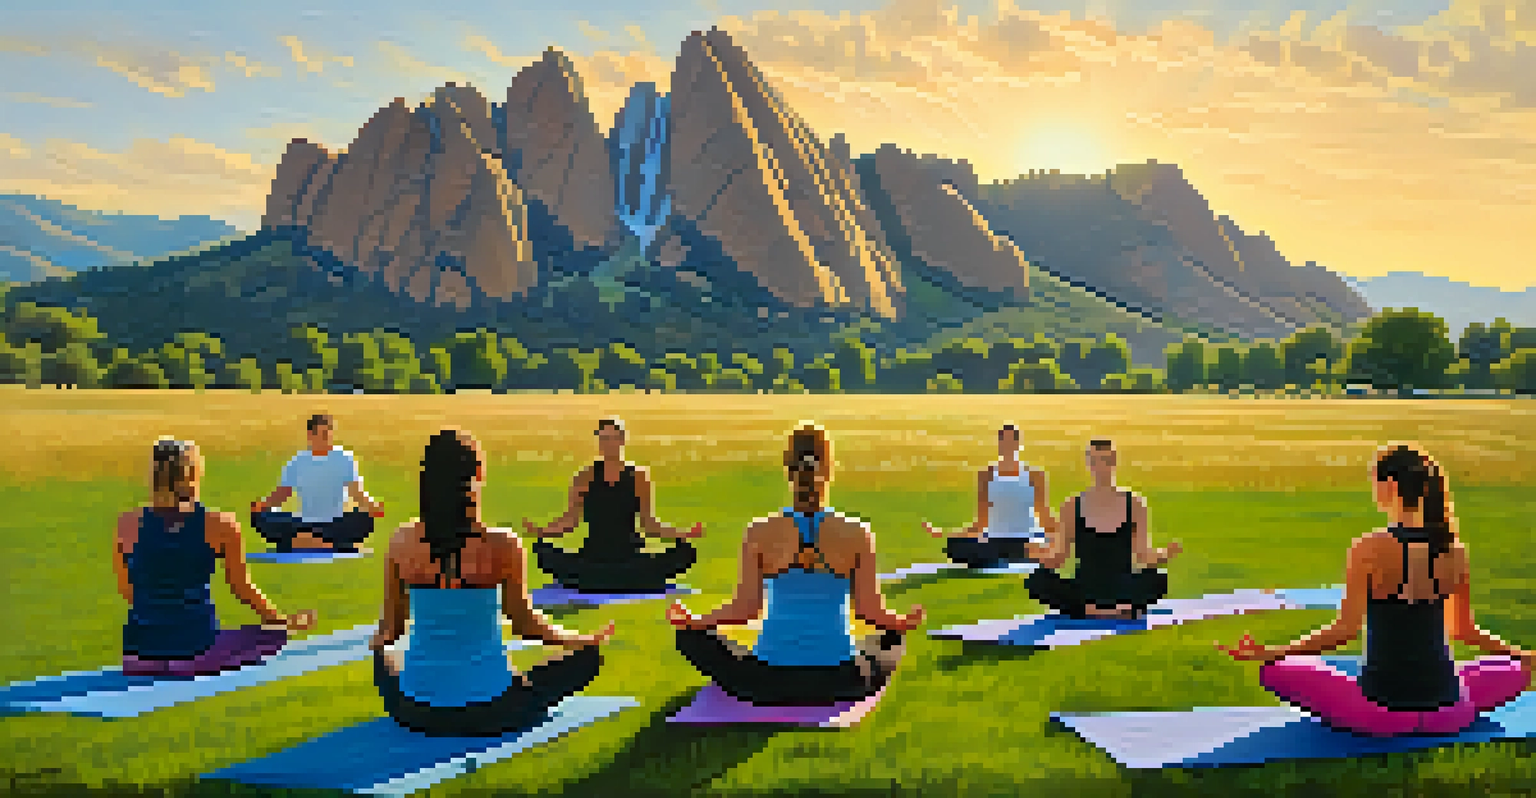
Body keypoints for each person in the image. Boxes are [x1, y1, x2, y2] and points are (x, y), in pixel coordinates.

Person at [1219, 444, 1533, 737]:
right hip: (1451, 713)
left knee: (1275, 671)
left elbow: (1344, 631)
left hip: (1379, 713)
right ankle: (1494, 675)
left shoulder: (1369, 547)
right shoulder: (1454, 550)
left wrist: (1270, 652)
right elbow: (1464, 630)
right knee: (1514, 671)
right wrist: (1519, 655)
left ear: (1391, 487)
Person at [371, 428, 617, 737]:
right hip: (493, 710)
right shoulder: (502, 545)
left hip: (416, 711)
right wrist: (580, 640)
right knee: (586, 659)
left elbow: (389, 631)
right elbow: (526, 625)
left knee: (384, 658)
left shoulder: (401, 541)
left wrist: (380, 650)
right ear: (478, 474)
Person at [667, 422, 924, 706]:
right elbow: (868, 612)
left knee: (689, 638)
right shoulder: (857, 533)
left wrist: (696, 622)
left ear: (788, 470)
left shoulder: (759, 531)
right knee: (891, 640)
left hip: (768, 680)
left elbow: (746, 609)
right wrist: (902, 623)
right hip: (839, 679)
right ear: (829, 469)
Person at [114, 438, 316, 677]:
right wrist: (281, 623)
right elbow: (241, 589)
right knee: (270, 636)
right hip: (196, 650)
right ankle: (181, 660)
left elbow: (129, 592)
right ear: (194, 475)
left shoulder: (126, 524)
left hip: (138, 654)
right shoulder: (220, 525)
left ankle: (165, 659)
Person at [523, 418, 702, 593]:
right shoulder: (584, 477)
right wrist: (541, 532)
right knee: (544, 551)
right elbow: (570, 521)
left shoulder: (639, 476)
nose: (608, 444)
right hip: (594, 556)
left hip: (630, 556)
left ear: (622, 440)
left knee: (684, 553)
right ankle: (619, 581)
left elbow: (649, 524)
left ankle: (604, 581)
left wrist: (683, 534)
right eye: (604, 439)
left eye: (613, 438)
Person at [1023, 439, 1181, 620]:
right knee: (1037, 580)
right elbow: (1059, 559)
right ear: (1089, 464)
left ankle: (1091, 611)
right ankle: (1108, 611)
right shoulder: (1072, 506)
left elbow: (1144, 556)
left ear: (1114, 462)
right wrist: (1039, 555)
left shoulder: (1135, 504)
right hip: (1085, 589)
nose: (1101, 467)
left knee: (1159, 579)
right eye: (1095, 461)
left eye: (1105, 460)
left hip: (1123, 588)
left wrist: (1165, 554)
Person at [924, 424, 1056, 568]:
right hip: (995, 541)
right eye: (1003, 441)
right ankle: (1003, 556)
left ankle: (1008, 556)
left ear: (1018, 444)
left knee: (1038, 548)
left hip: (1026, 540)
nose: (1007, 446)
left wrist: (1064, 534)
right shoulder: (986, 476)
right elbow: (981, 524)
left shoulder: (1035, 476)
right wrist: (949, 534)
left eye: (1011, 442)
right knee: (956, 546)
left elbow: (1044, 517)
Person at [251, 414, 384, 553]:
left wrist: (372, 506)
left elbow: (356, 494)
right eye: (323, 433)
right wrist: (262, 506)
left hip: (335, 524)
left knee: (365, 519)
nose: (328, 438)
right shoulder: (297, 462)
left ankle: (302, 541)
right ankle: (326, 542)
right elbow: (282, 495)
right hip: (303, 523)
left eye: (329, 433)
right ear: (310, 435)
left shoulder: (345, 458)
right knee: (262, 517)